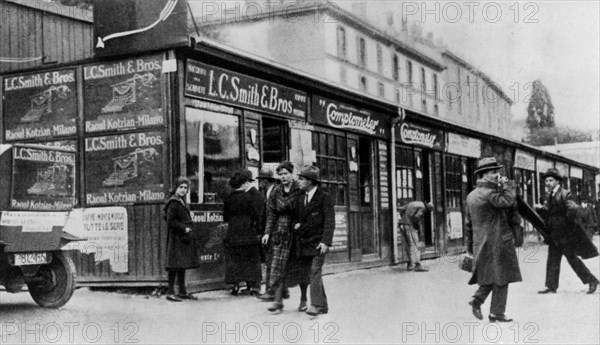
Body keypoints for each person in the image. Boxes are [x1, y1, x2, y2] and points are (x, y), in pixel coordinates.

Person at [465, 157, 522, 322]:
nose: (498, 175)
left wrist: (470, 247)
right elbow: (508, 201)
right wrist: (508, 185)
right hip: (498, 240)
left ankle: (477, 300)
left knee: (493, 275)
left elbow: (468, 224)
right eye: (493, 172)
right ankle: (496, 313)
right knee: (502, 275)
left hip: (481, 243)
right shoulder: (490, 194)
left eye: (498, 171)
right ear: (484, 175)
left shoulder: (471, 195)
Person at [535, 168, 599, 295]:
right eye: (546, 180)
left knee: (572, 259)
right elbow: (552, 212)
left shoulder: (565, 193)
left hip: (564, 234)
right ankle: (551, 286)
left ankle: (592, 281)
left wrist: (564, 226)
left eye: (550, 180)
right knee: (553, 259)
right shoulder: (550, 195)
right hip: (554, 234)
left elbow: (572, 209)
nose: (547, 183)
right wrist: (542, 209)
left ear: (557, 181)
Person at [261, 161, 304, 312]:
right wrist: (267, 232)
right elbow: (271, 213)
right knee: (278, 266)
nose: (284, 177)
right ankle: (278, 301)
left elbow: (306, 209)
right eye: (281, 174)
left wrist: (302, 225)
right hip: (280, 232)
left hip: (297, 232)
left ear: (292, 174)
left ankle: (303, 299)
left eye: (286, 173)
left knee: (299, 267)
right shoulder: (277, 191)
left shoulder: (300, 190)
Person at [294, 165, 335, 316]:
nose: (298, 181)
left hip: (319, 242)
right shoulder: (300, 198)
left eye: (301, 179)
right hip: (305, 242)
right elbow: (297, 220)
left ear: (310, 181)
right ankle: (323, 305)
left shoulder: (324, 198)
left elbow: (329, 222)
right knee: (311, 272)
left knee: (315, 271)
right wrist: (297, 226)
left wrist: (326, 241)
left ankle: (316, 305)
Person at [223, 170, 264, 296]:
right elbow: (256, 215)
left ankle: (234, 285)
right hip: (247, 230)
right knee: (251, 258)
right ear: (244, 183)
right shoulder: (249, 197)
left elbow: (225, 217)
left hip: (233, 230)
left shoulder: (228, 198)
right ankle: (252, 286)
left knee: (234, 258)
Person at [164, 177, 200, 302]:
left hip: (182, 237)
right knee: (174, 264)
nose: (183, 190)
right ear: (176, 188)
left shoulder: (181, 201)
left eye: (186, 188)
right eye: (181, 187)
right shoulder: (173, 202)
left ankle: (182, 291)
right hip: (176, 237)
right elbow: (171, 221)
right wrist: (184, 228)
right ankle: (170, 292)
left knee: (181, 264)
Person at [255, 167, 281, 301]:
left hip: (273, 232)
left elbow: (273, 215)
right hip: (269, 232)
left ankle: (271, 291)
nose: (260, 183)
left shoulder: (274, 192)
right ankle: (272, 291)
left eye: (261, 180)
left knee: (272, 262)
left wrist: (267, 232)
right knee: (270, 261)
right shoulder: (269, 192)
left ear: (266, 180)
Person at [398, 201, 434, 272]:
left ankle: (410, 264)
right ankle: (417, 265)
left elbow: (401, 210)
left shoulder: (413, 203)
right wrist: (417, 227)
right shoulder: (422, 207)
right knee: (415, 245)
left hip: (404, 225)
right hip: (410, 225)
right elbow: (416, 217)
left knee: (409, 245)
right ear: (428, 208)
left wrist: (404, 219)